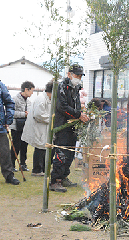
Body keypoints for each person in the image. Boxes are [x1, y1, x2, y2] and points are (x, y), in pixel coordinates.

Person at [49, 64, 89, 192]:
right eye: (76, 75)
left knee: (71, 153)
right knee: (61, 153)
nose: (78, 78)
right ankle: (55, 181)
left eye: (80, 76)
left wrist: (81, 114)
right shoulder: (61, 87)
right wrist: (78, 114)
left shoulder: (76, 88)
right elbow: (62, 106)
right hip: (62, 125)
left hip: (73, 125)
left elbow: (76, 105)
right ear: (69, 74)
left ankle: (64, 177)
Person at [21, 81, 53, 176]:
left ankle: (42, 169)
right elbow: (38, 114)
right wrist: (51, 119)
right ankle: (37, 170)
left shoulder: (47, 98)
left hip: (43, 127)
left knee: (44, 147)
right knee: (40, 147)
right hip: (38, 126)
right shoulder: (41, 99)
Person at [9, 81, 35, 172]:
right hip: (16, 127)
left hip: (25, 126)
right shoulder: (14, 99)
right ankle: (11, 164)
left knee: (24, 146)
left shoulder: (29, 101)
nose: (32, 93)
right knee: (15, 146)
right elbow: (11, 113)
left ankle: (23, 164)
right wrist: (24, 114)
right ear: (26, 89)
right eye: (31, 91)